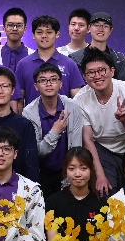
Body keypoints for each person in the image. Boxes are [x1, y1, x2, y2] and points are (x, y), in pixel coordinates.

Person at [73, 49, 125, 195]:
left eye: (102, 70)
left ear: (112, 71)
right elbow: (87, 139)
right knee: (106, 191)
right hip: (101, 148)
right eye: (91, 73)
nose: (97, 76)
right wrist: (100, 176)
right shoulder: (80, 99)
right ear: (85, 77)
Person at [43, 148, 110, 241]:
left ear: (91, 170)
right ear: (66, 171)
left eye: (83, 168)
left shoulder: (101, 204)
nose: (77, 174)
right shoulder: (53, 202)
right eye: (72, 169)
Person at [22, 62, 91, 197]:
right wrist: (55, 132)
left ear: (61, 84)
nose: (49, 84)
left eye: (53, 79)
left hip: (67, 172)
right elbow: (36, 152)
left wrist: (69, 178)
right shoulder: (28, 113)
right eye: (43, 80)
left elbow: (76, 148)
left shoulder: (72, 107)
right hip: (40, 173)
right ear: (36, 86)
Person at [14, 15, 85, 108]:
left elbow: (78, 100)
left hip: (64, 116)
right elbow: (18, 100)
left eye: (49, 32)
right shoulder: (23, 64)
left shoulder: (69, 63)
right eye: (39, 32)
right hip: (31, 117)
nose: (44, 36)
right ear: (33, 35)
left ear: (57, 34)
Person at [76, 12, 125, 82]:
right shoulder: (76, 58)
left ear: (111, 30)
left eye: (105, 26)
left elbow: (124, 85)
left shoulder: (119, 59)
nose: (101, 29)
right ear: (89, 28)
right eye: (97, 25)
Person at [0, 7, 31, 73]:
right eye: (10, 25)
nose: (15, 29)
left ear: (25, 29)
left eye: (19, 25)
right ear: (4, 28)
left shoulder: (33, 55)